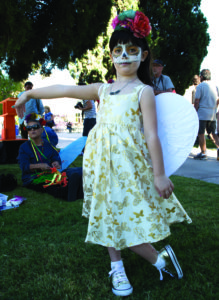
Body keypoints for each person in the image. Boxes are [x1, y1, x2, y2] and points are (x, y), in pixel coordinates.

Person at [14, 10, 191, 297]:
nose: (124, 56)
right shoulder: (103, 90)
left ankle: (160, 259)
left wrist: (159, 174)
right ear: (111, 55)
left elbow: (152, 135)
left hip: (129, 166)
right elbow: (67, 88)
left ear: (143, 55)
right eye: (117, 50)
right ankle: (116, 266)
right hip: (101, 165)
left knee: (127, 218)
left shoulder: (143, 92)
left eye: (131, 50)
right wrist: (32, 94)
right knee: (107, 214)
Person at [17, 114, 83, 202]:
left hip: (50, 174)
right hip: (33, 178)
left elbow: (55, 156)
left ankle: (77, 190)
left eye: (35, 127)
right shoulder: (24, 147)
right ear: (27, 131)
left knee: (68, 175)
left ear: (41, 129)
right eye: (29, 128)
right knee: (49, 185)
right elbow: (24, 166)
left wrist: (56, 162)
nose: (32, 129)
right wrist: (39, 166)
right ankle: (70, 194)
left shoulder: (48, 144)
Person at [194, 69, 219, 160]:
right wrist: (215, 108)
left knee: (201, 133)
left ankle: (203, 152)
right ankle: (218, 147)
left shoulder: (200, 86)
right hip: (212, 113)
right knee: (212, 133)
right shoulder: (215, 86)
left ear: (201, 77)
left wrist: (195, 111)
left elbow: (197, 100)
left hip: (202, 113)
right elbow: (217, 100)